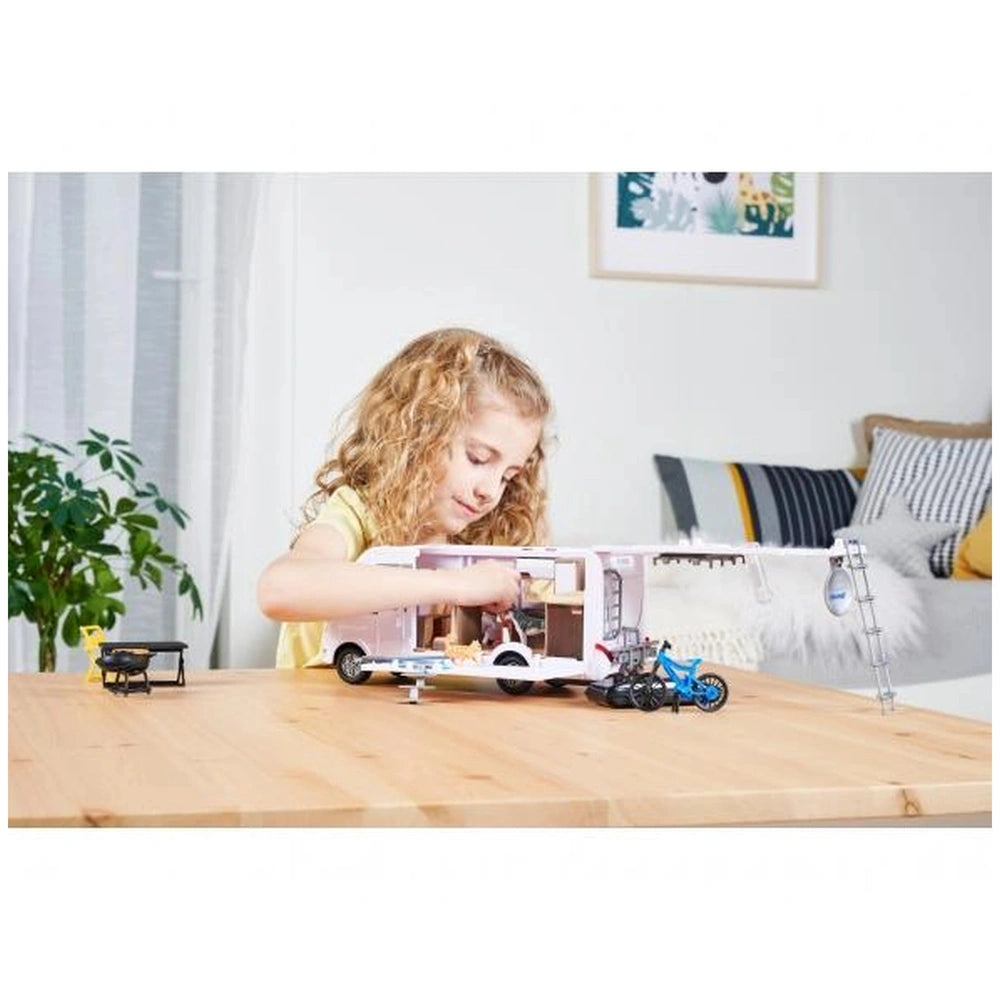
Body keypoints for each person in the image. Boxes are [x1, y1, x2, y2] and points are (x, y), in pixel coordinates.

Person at [257, 327, 553, 668]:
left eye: (508, 476)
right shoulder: (357, 515)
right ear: (420, 433)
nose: (490, 491)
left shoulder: (486, 539)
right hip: (321, 716)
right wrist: (455, 586)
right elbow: (279, 590)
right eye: (478, 459)